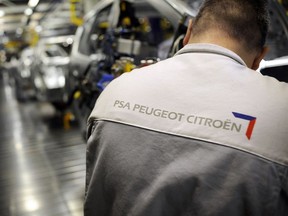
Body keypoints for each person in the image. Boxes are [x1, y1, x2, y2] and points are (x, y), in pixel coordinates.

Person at [85, 0, 288, 215]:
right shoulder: (281, 109)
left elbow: (96, 200)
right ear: (259, 57)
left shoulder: (115, 91)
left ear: (188, 32)